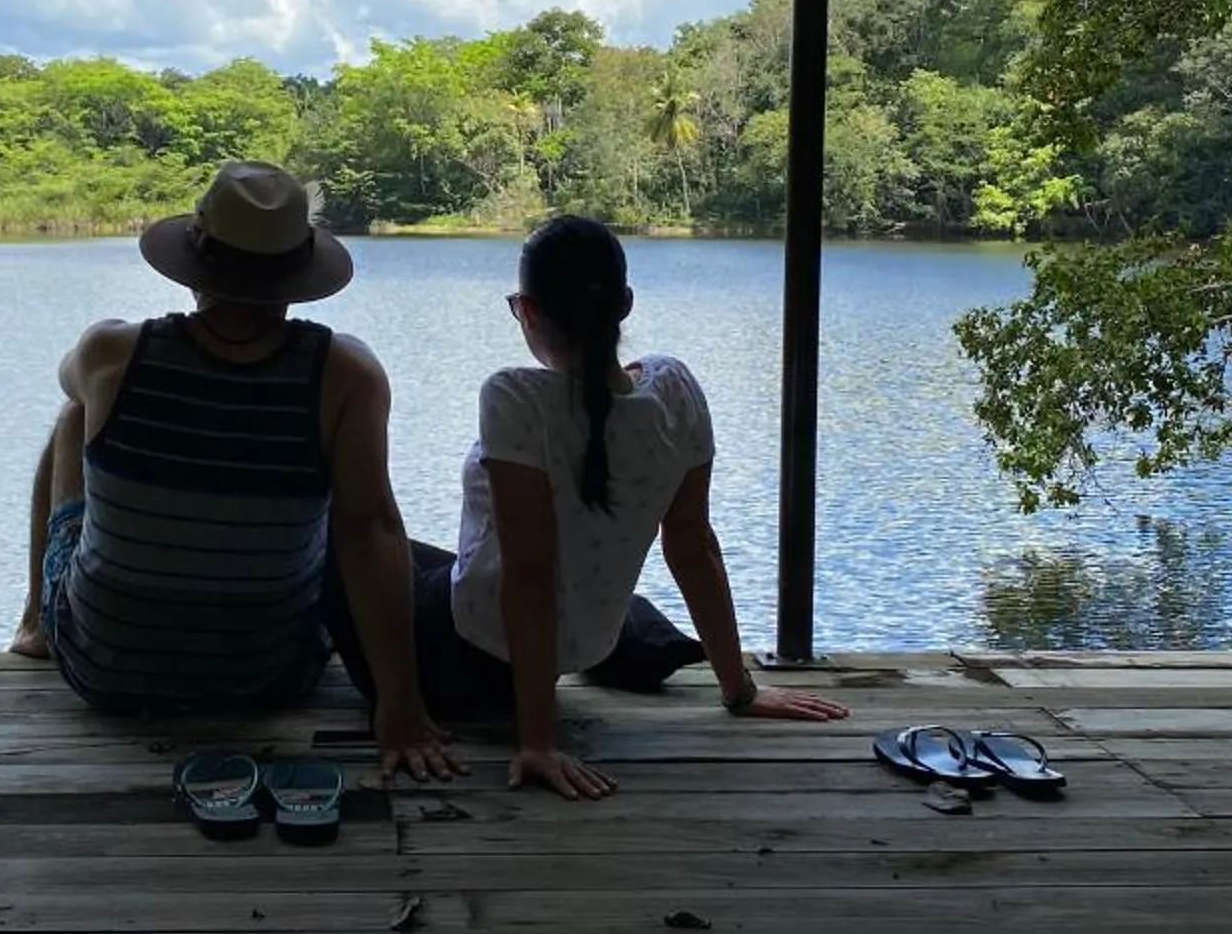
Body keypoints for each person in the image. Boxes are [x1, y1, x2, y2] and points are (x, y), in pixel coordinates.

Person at [324, 213, 846, 799]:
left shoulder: (517, 397)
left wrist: (538, 742)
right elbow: (692, 546)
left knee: (336, 545)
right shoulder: (675, 389)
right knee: (413, 557)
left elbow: (529, 576)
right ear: (624, 302)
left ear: (528, 311)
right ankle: (641, 651)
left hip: (466, 663)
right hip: (567, 646)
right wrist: (740, 690)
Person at [12, 160, 460, 781]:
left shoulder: (110, 351)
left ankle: (37, 621)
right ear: (298, 274)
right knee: (346, 509)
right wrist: (400, 702)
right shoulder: (346, 375)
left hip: (104, 668)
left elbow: (70, 378)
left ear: (195, 267)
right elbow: (372, 533)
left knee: (74, 415)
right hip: (269, 674)